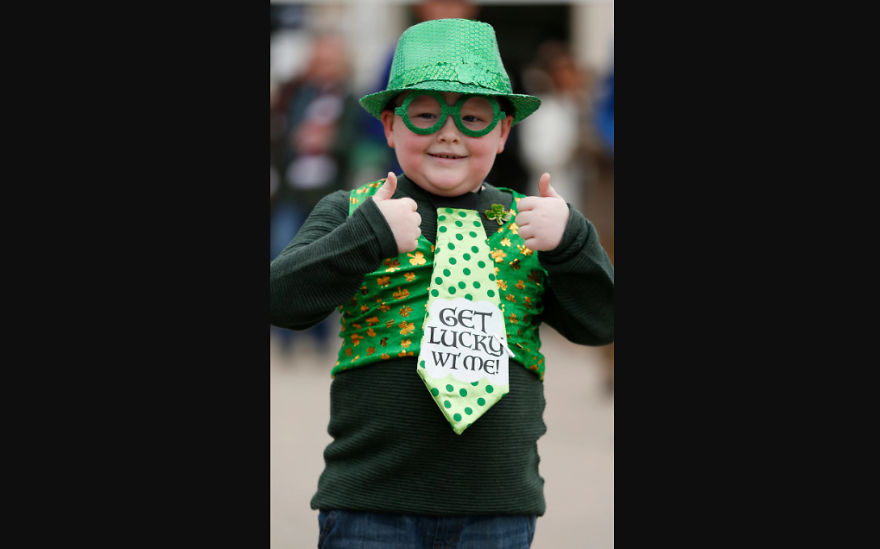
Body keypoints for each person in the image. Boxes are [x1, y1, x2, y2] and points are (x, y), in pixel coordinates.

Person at [270, 18, 613, 548]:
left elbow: (601, 323)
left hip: (497, 511)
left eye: (473, 118)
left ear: (503, 132)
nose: (449, 133)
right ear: (390, 126)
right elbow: (281, 300)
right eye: (426, 115)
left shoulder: (532, 223)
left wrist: (572, 242)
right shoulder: (356, 213)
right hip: (371, 506)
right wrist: (366, 237)